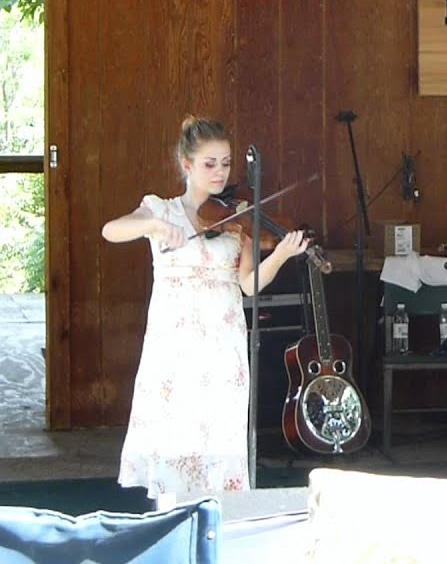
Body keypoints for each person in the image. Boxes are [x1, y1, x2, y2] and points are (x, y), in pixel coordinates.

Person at [102, 116, 309, 508]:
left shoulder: (238, 218)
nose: (220, 172)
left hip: (223, 342)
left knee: (219, 438)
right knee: (176, 436)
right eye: (209, 163)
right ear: (186, 165)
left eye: (226, 163)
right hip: (176, 346)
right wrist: (154, 226)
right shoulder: (159, 208)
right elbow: (111, 231)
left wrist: (280, 254)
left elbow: (248, 284)